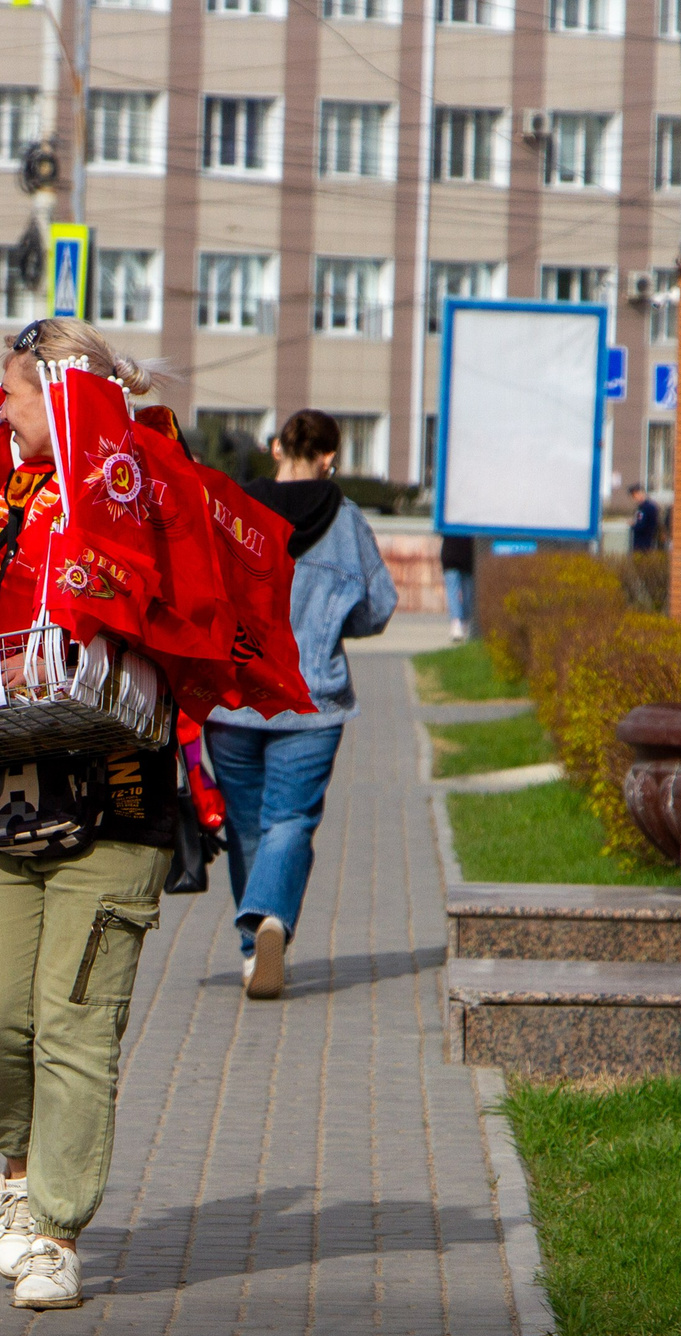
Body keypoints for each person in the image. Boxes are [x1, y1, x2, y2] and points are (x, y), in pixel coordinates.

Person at [0, 318, 184, 1311]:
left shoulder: (141, 486)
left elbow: (176, 618)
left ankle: (51, 1226)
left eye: (9, 391)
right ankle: (17, 1167)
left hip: (115, 800)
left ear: (59, 396)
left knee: (74, 1023)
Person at [207, 409, 399, 1001]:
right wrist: (331, 624)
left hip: (233, 698)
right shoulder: (345, 519)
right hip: (313, 701)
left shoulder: (232, 509)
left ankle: (250, 952)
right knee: (289, 820)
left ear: (275, 449)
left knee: (245, 828)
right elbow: (379, 606)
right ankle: (272, 922)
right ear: (329, 458)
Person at [440, 531, 475, 643]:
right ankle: (463, 623)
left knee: (454, 591)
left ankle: (457, 623)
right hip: (468, 555)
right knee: (467, 592)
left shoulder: (449, 519)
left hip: (451, 554)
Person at [629, 483, 664, 553]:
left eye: (634, 495)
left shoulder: (644, 508)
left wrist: (632, 525)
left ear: (640, 493)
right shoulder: (649, 506)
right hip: (648, 541)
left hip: (643, 543)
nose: (634, 498)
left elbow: (641, 525)